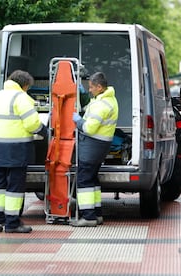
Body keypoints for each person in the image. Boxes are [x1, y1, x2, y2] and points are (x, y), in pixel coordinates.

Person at [0, 70, 47, 233]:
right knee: (15, 186)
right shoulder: (21, 97)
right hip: (17, 147)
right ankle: (12, 223)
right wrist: (44, 132)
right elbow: (32, 124)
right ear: (24, 85)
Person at [71, 72, 118, 227]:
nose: (89, 90)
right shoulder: (107, 100)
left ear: (99, 87)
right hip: (100, 147)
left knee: (84, 180)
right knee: (93, 179)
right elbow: (89, 107)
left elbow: (89, 128)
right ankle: (97, 214)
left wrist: (78, 120)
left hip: (91, 147)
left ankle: (88, 217)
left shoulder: (101, 104)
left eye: (91, 87)